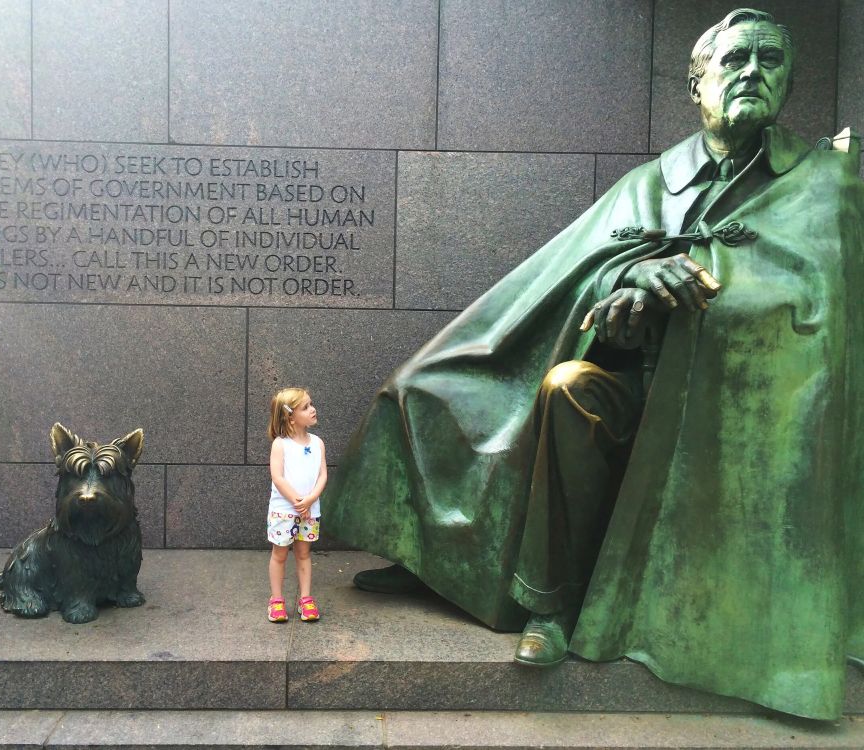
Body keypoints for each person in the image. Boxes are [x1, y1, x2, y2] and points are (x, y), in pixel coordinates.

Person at [325, 8, 864, 720]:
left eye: (770, 61)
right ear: (695, 82)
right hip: (635, 386)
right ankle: (524, 595)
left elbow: (818, 305)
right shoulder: (652, 183)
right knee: (523, 387)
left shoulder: (827, 182)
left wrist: (711, 283)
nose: (753, 74)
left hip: (733, 414)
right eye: (735, 61)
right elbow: (575, 279)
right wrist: (624, 286)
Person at [265, 387, 327, 623]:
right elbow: (278, 477)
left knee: (303, 553)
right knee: (279, 554)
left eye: (311, 404)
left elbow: (322, 475)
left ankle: (306, 598)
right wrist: (296, 501)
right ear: (290, 416)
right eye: (306, 407)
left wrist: (310, 500)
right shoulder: (281, 445)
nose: (313, 410)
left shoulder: (318, 443)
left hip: (310, 510)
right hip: (284, 511)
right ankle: (277, 600)